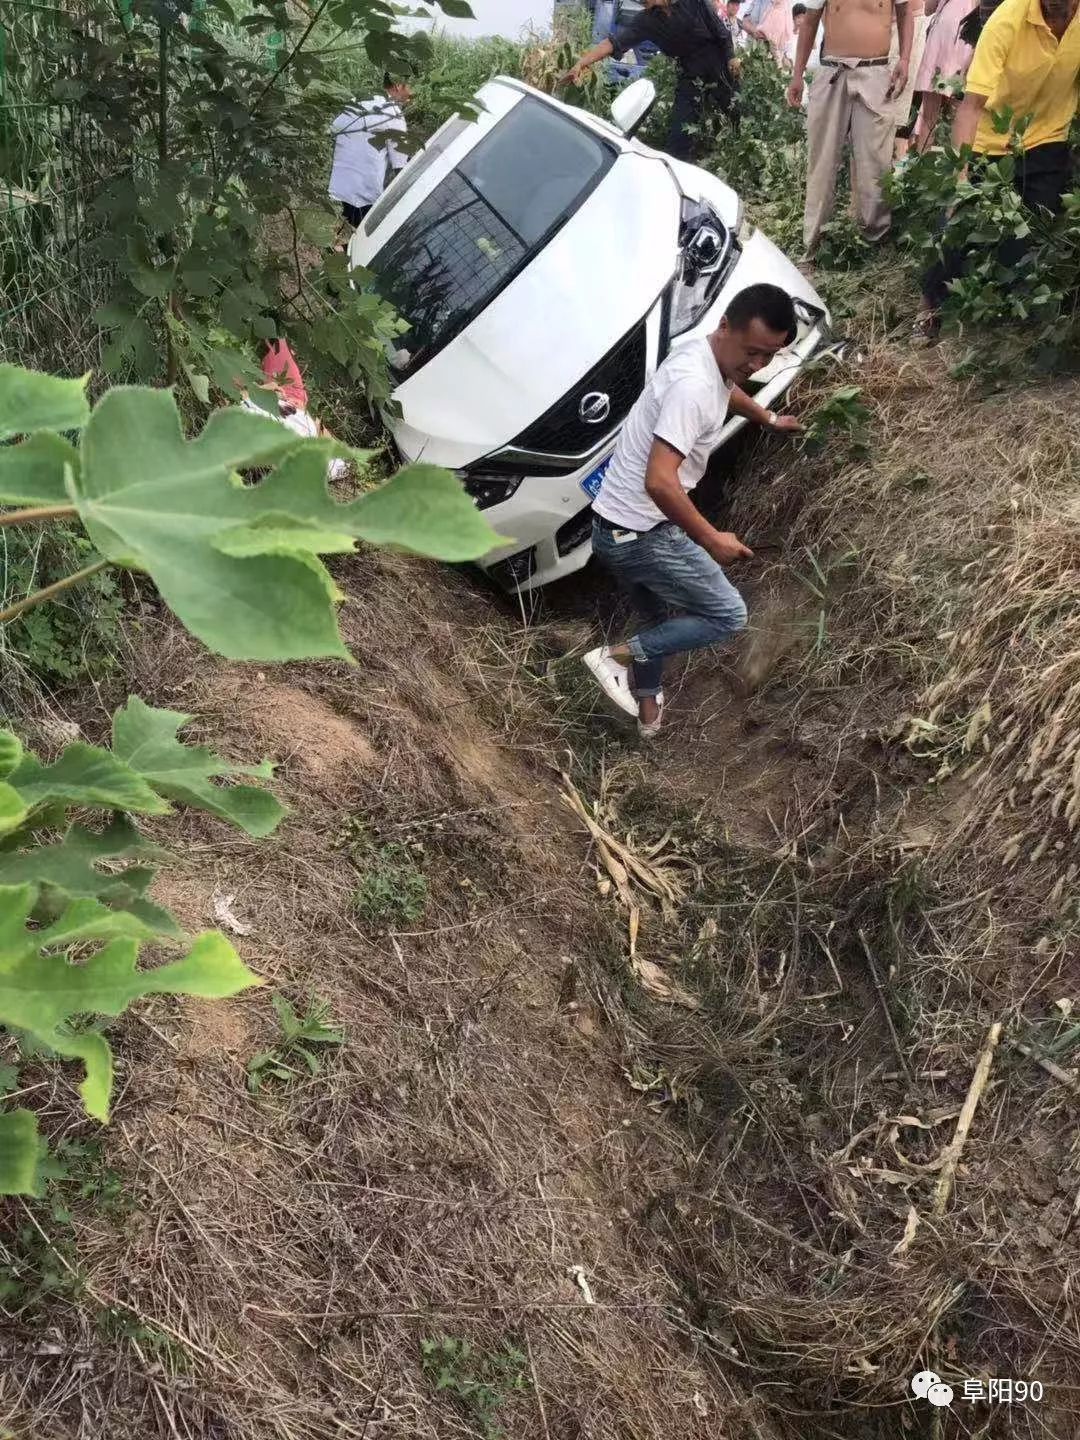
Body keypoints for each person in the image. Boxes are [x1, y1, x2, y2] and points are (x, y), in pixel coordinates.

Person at [582, 285, 804, 740]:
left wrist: (766, 418)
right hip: (640, 534)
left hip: (612, 527)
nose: (757, 366)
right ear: (726, 324)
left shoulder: (704, 356)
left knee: (658, 621)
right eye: (752, 352)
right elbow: (660, 480)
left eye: (768, 357)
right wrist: (710, 537)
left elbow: (728, 392)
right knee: (727, 614)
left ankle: (646, 709)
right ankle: (614, 658)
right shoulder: (693, 388)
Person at [913, 0, 1080, 341]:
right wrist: (961, 177)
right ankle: (927, 307)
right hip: (990, 141)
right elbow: (970, 107)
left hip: (1048, 140)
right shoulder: (1008, 19)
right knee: (956, 224)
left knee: (1032, 237)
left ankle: (1010, 306)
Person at [786, 0, 915, 256]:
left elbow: (905, 12)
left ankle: (875, 241)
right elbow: (810, 20)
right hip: (832, 72)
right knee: (821, 160)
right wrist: (797, 75)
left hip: (877, 72)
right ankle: (814, 244)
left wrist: (905, 59)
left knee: (876, 161)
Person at [560, 0, 740, 160]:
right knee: (680, 136)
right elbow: (613, 43)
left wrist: (731, 57)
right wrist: (581, 63)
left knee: (738, 114)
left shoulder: (693, 2)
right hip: (690, 74)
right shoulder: (646, 21)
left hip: (719, 67)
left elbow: (720, 31)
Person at [328, 72, 413, 231]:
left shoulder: (358, 100)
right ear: (397, 86)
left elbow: (335, 128)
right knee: (360, 233)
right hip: (365, 192)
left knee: (345, 226)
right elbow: (400, 166)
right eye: (409, 86)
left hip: (342, 182)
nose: (411, 93)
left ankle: (337, 246)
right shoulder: (393, 114)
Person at [910, 0, 975, 149]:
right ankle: (953, 167)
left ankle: (923, 164)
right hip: (968, 31)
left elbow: (928, 8)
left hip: (946, 27)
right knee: (959, 111)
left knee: (929, 115)